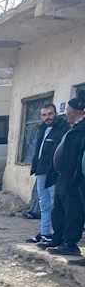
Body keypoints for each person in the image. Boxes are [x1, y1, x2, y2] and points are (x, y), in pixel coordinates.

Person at [39, 92, 85, 256]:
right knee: (57, 208)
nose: (66, 114)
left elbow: (78, 155)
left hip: (73, 177)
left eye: (68, 111)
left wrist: (74, 176)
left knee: (73, 211)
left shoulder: (82, 129)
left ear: (74, 112)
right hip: (62, 175)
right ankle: (57, 238)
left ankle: (70, 243)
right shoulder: (72, 127)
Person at [26, 104, 69, 243]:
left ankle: (55, 234)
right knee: (43, 204)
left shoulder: (62, 130)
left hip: (53, 172)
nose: (47, 117)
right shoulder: (42, 129)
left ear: (55, 114)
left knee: (53, 204)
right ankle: (45, 233)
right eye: (44, 115)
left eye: (50, 114)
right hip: (41, 172)